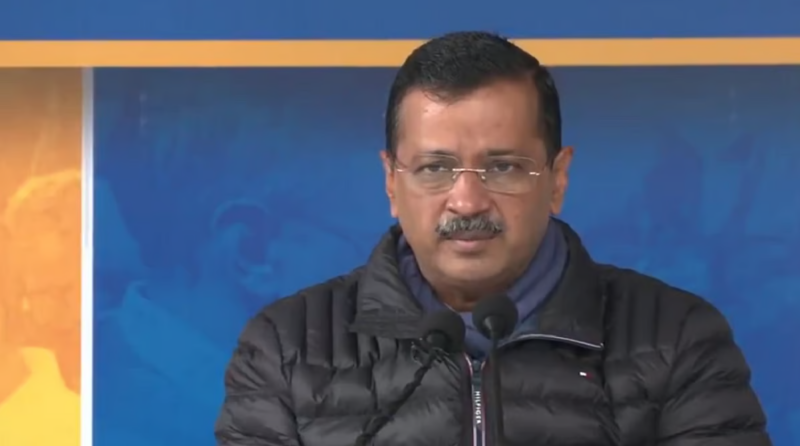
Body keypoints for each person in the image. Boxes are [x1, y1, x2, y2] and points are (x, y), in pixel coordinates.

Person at [215, 31, 770, 446]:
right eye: (435, 168)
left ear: (558, 179)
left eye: (503, 167)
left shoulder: (678, 338)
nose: (467, 201)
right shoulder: (287, 348)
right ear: (391, 182)